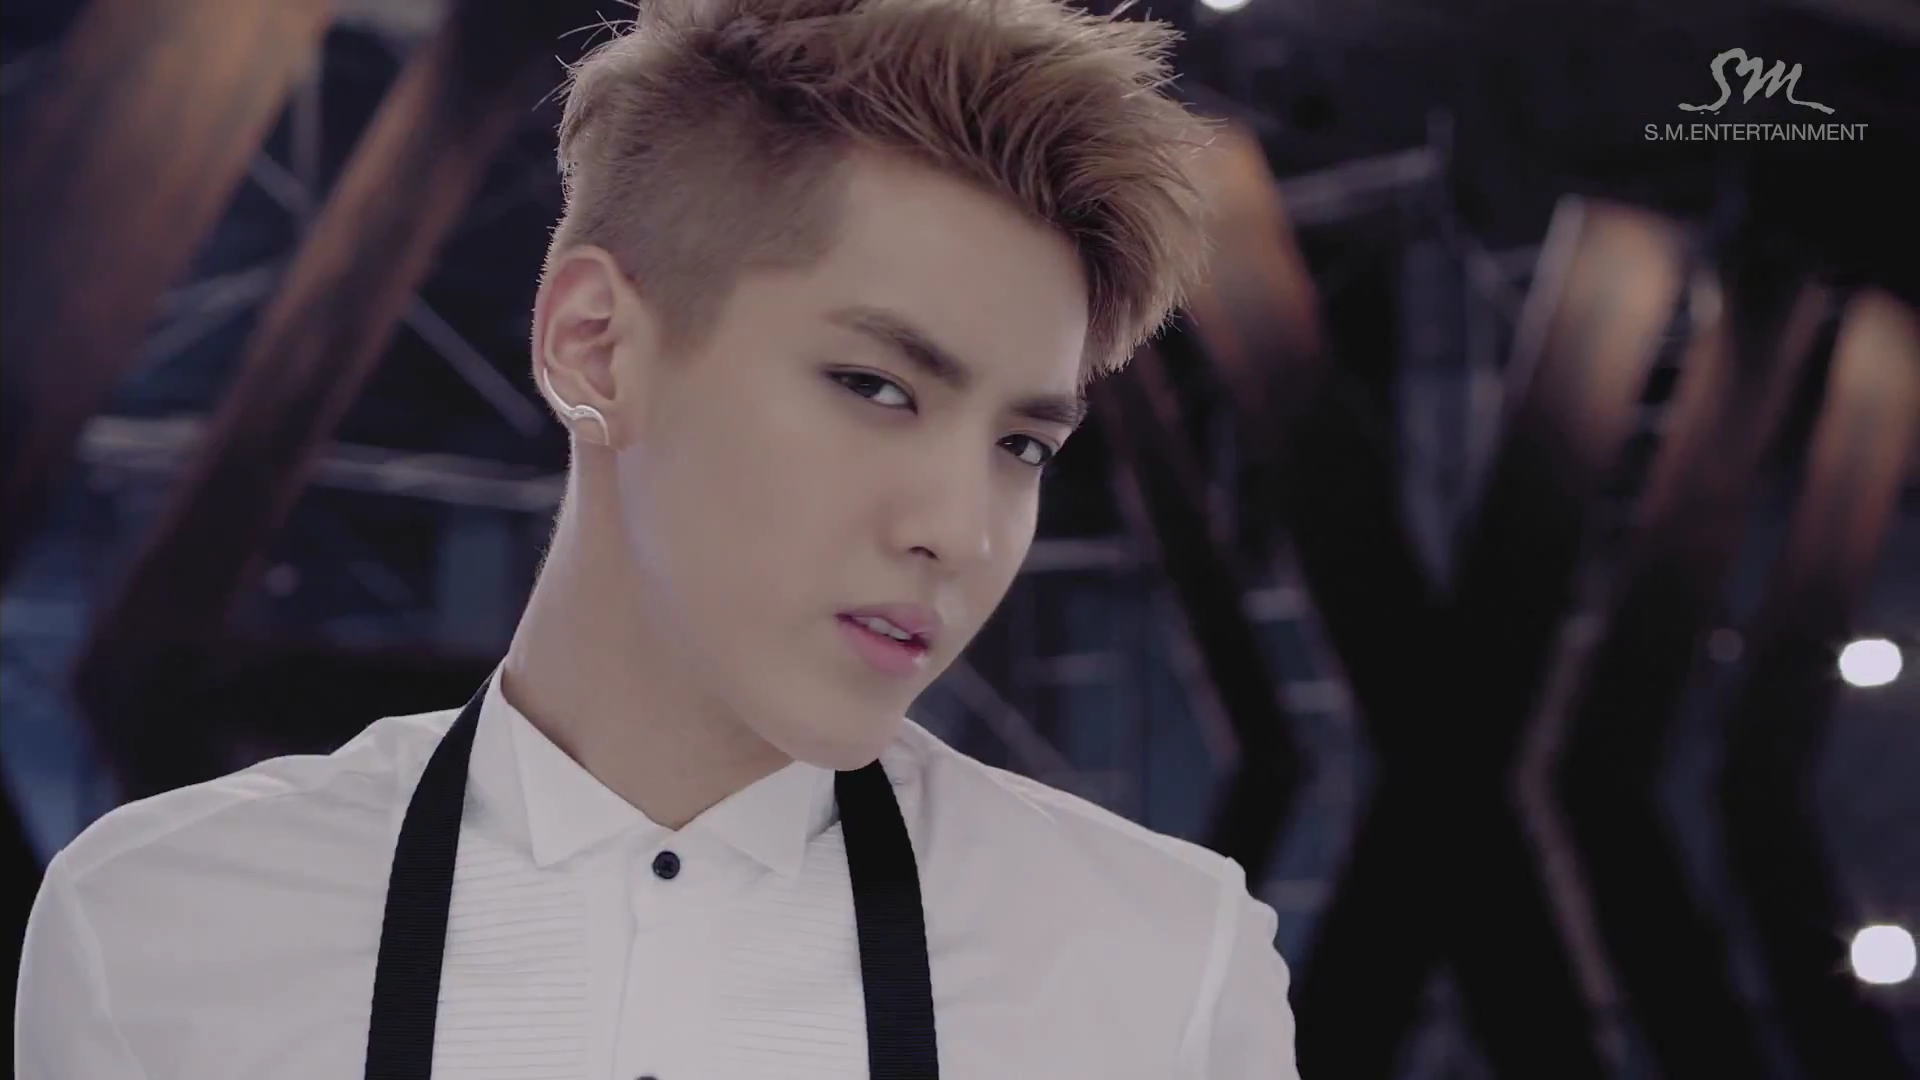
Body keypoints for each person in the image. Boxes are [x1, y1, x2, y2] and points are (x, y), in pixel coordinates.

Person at [16, 0, 1300, 1075]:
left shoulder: (1158, 969)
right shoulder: (160, 929)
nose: (958, 531)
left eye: (1022, 445)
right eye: (875, 387)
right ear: (598, 348)